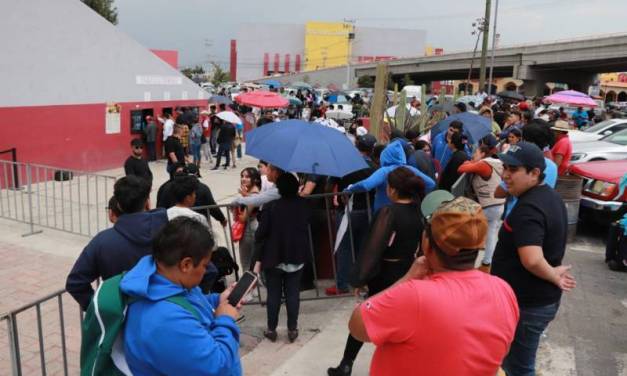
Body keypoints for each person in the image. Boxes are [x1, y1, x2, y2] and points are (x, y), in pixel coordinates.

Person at [344, 193, 519, 376]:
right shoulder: (503, 289)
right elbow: (501, 349)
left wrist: (408, 278)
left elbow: (357, 327)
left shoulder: (414, 296)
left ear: (427, 243)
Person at [328, 167, 426, 376]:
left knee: (367, 315)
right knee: (397, 320)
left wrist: (359, 278)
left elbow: (373, 248)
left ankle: (347, 364)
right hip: (407, 271)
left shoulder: (388, 212)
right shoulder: (418, 212)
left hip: (385, 273)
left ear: (392, 189)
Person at [492, 141, 577, 375]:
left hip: (528, 304)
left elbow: (531, 259)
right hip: (532, 300)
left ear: (534, 173)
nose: (505, 175)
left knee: (519, 368)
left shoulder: (529, 208)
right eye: (505, 167)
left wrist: (553, 276)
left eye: (513, 170)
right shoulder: (548, 196)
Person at [121, 217, 242, 375]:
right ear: (186, 265)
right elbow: (216, 366)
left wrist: (218, 300)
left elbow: (188, 303)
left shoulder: (166, 280)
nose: (206, 271)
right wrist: (225, 320)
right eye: (205, 265)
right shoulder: (166, 321)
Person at [66, 176, 168, 310]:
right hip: (166, 315)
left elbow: (75, 283)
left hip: (123, 319)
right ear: (147, 202)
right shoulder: (175, 231)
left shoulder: (102, 242)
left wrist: (101, 310)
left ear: (118, 205)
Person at [252, 173, 311, 343]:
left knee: (274, 295)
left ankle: (272, 329)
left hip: (274, 256)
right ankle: (292, 329)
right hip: (296, 255)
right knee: (293, 294)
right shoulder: (304, 205)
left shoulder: (272, 207)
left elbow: (260, 233)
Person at [326, 134, 377, 295]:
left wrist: (334, 198)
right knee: (364, 248)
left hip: (347, 212)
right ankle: (361, 283)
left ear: (356, 146)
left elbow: (329, 186)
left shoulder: (344, 165)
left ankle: (342, 284)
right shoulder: (375, 167)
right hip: (367, 211)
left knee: (344, 248)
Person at [344, 140, 435, 213]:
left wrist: (351, 188)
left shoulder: (384, 171)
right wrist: (415, 196)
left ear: (385, 156)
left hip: (384, 213)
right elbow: (431, 183)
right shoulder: (410, 169)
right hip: (406, 211)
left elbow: (366, 185)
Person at [458, 135, 505, 271]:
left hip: (488, 205)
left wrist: (469, 163)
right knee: (490, 234)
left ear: (483, 154)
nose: (473, 155)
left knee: (471, 231)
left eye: (476, 153)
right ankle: (486, 263)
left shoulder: (484, 164)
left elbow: (461, 169)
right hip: (499, 204)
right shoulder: (497, 162)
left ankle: (466, 262)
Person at [235, 167, 261, 272]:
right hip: (251, 227)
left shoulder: (254, 194)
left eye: (247, 177)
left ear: (255, 179)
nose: (243, 179)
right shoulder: (251, 192)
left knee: (246, 261)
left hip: (250, 229)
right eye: (242, 176)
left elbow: (244, 217)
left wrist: (236, 212)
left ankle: (249, 285)